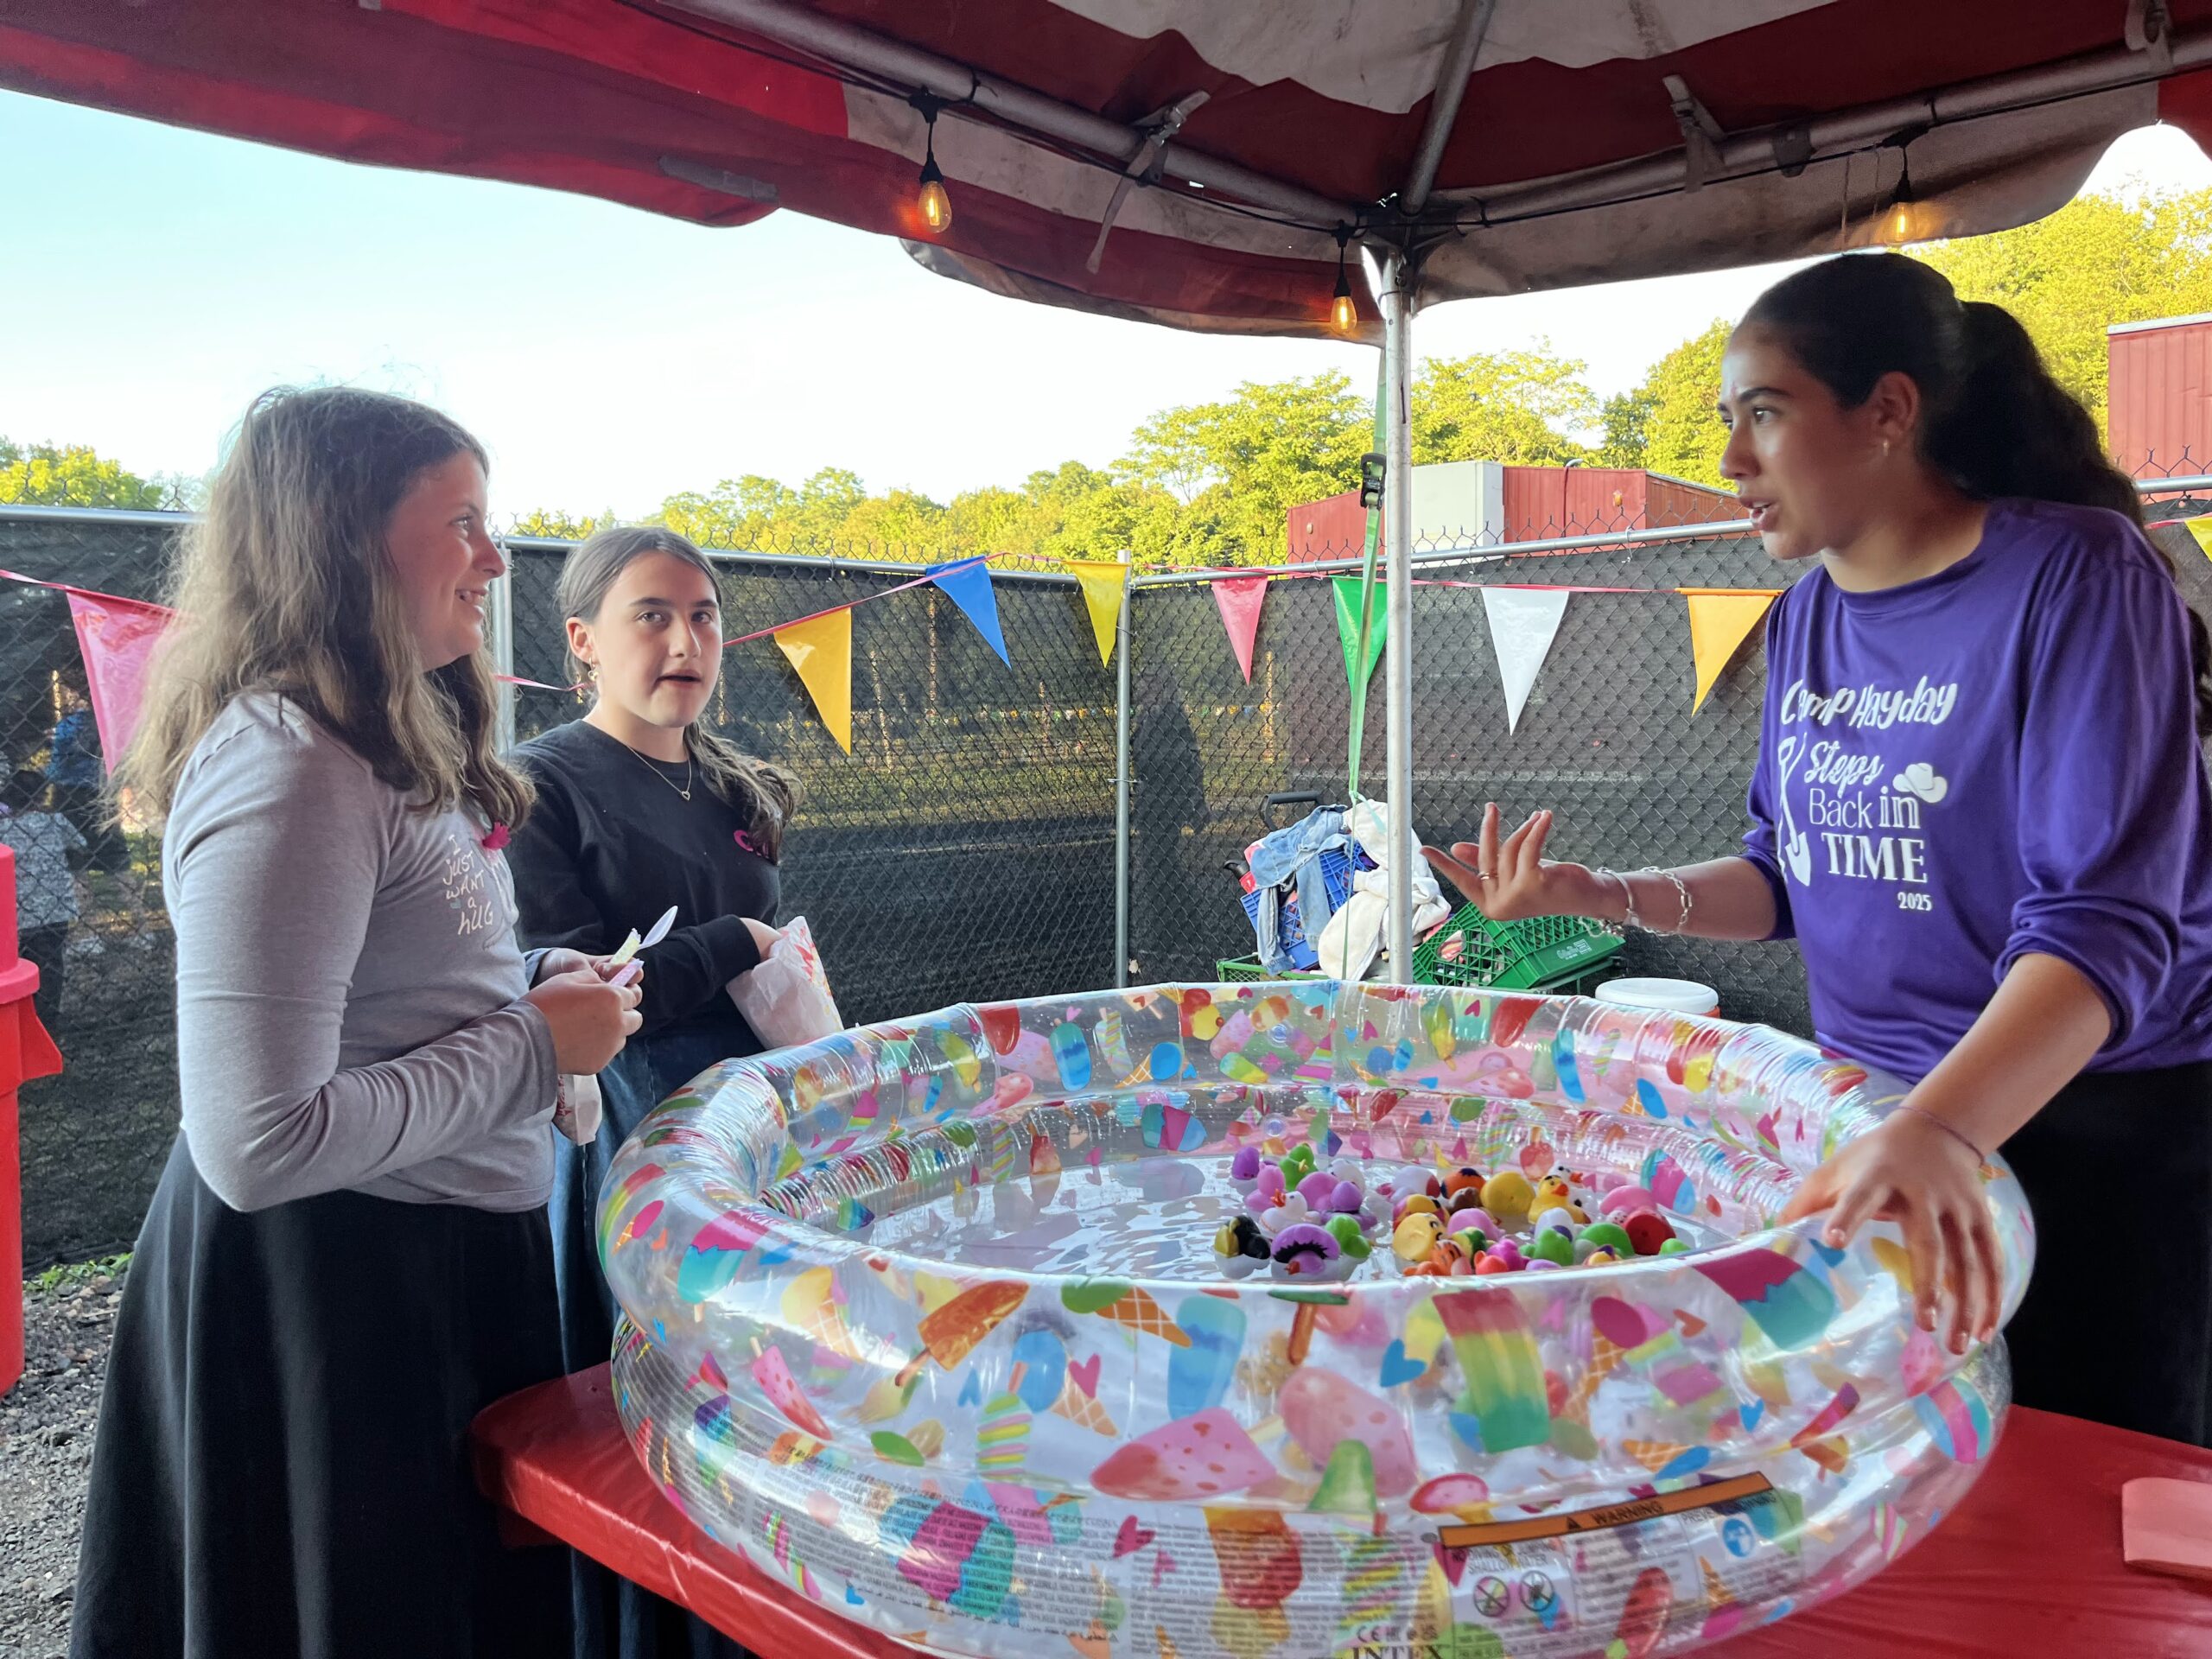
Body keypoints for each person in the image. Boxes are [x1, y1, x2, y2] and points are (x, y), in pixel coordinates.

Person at [1425, 252, 2212, 1446]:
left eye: (1764, 413)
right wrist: (1599, 893)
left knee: (2076, 1479)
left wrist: (1943, 1129)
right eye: (1726, 420)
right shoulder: (1805, 620)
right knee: (1896, 1463)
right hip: (1876, 1120)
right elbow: (1785, 878)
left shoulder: (2074, 574)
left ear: (1887, 411)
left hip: (2083, 1124)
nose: (1730, 460)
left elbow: (2105, 919)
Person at [71, 386, 641, 1659]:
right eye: (463, 522)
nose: (497, 559)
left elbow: (391, 980)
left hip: (429, 1263)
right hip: (334, 1294)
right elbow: (257, 1138)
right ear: (343, 539)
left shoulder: (385, 730)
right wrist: (534, 1045)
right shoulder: (289, 762)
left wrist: (532, 982)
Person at [505, 524, 796, 1659]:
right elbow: (582, 996)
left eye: (704, 616)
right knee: (655, 1418)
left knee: (754, 1405)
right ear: (583, 639)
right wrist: (735, 943)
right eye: (653, 616)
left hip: (756, 1129)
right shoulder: (539, 784)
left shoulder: (730, 784)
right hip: (635, 1143)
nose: (686, 642)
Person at [0, 767, 86, 1027]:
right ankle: (47, 1018)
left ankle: (23, 1015)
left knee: (21, 963)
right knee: (51, 965)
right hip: (56, 909)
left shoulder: (3, 828)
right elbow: (80, 844)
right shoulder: (55, 821)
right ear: (40, 798)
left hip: (19, 913)